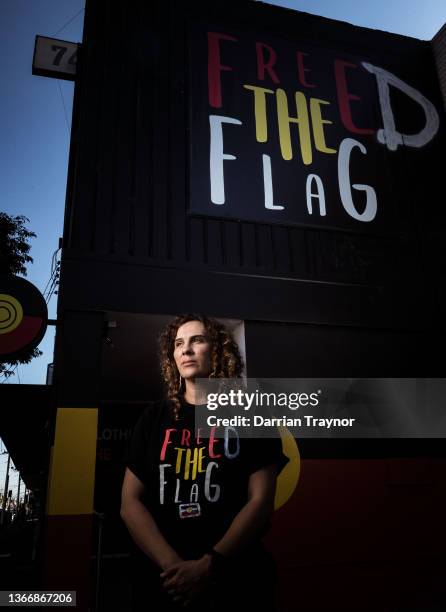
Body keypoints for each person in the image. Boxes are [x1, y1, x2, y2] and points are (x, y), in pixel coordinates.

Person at [121, 314, 289, 611]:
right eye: (178, 343)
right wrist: (174, 566)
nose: (185, 350)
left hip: (238, 580)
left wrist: (209, 565)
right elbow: (130, 503)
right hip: (166, 584)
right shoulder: (153, 418)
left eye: (197, 340)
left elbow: (261, 500)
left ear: (218, 350)